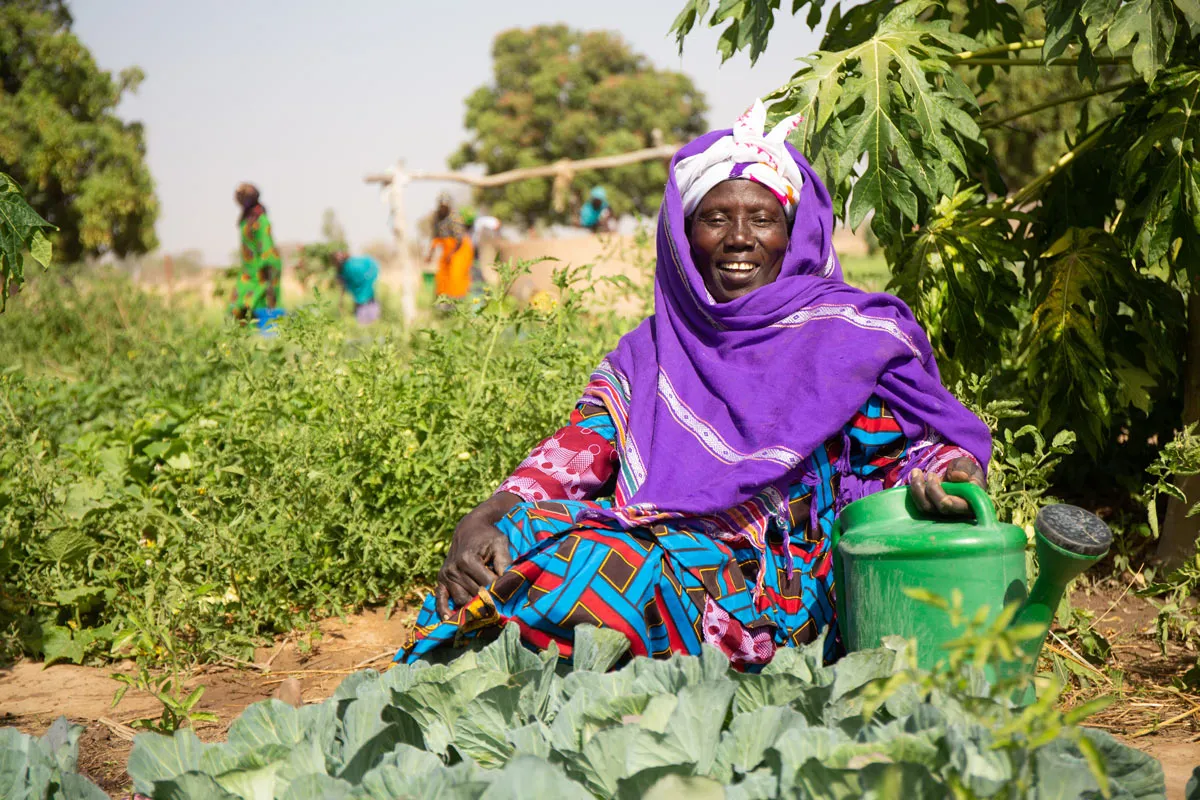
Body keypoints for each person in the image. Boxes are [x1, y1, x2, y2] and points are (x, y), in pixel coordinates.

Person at [398, 101, 991, 670]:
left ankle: (541, 646)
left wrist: (947, 472)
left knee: (616, 569)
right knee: (511, 540)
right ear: (685, 239)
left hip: (779, 593)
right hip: (656, 542)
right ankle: (493, 653)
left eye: (761, 218)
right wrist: (488, 512)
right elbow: (581, 444)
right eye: (715, 218)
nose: (739, 237)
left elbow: (908, 452)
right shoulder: (652, 351)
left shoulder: (848, 338)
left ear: (792, 235)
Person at [230, 183, 284, 329]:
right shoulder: (246, 219)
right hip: (249, 268)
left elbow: (267, 247)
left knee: (256, 303)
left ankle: (266, 337)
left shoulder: (260, 219)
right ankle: (246, 338)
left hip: (263, 267)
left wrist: (267, 271)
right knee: (238, 305)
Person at [428, 194, 475, 300]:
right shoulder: (436, 217)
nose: (443, 209)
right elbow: (435, 237)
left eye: (445, 207)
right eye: (441, 207)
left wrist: (452, 253)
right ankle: (444, 302)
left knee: (456, 275)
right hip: (446, 249)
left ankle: (460, 300)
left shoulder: (454, 217)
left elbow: (459, 239)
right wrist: (430, 254)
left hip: (459, 248)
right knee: (442, 275)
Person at [332, 251, 381, 325]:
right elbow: (344, 284)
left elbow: (345, 284)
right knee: (368, 318)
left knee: (366, 318)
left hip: (364, 293)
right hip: (365, 294)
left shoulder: (349, 266)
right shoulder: (346, 268)